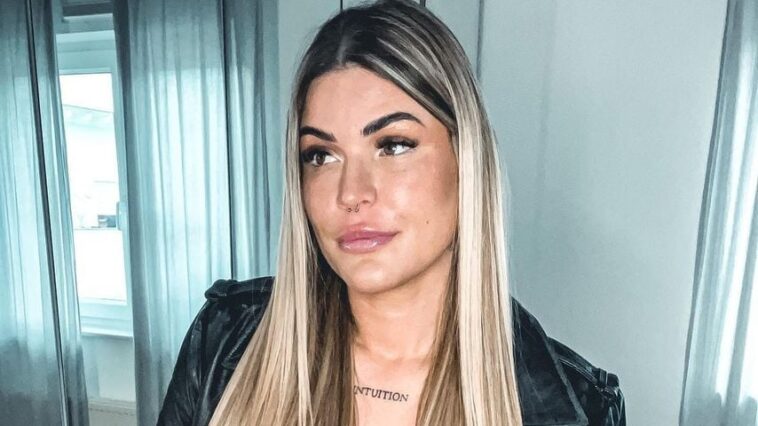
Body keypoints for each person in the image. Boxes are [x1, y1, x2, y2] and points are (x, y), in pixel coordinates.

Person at [157, 1, 625, 425]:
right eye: (321, 155)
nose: (352, 193)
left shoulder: (578, 407)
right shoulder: (224, 344)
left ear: (466, 160)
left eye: (394, 145)